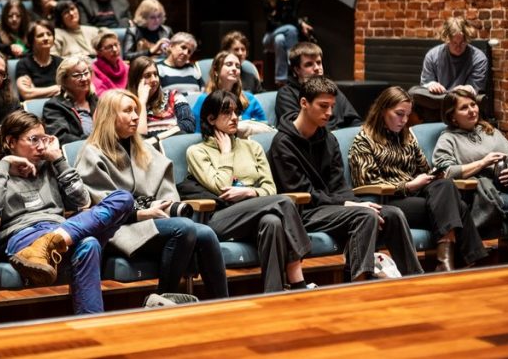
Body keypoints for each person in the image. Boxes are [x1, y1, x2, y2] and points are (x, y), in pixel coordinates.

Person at [0, 109, 134, 314]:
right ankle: (92, 323)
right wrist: (4, 166)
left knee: (123, 198)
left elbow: (82, 200)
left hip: (62, 230)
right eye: (33, 139)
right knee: (88, 243)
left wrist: (59, 160)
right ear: (11, 142)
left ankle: (50, 242)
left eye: (44, 139)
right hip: (22, 238)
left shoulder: (51, 168)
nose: (41, 146)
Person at [76, 90, 228, 299]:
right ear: (109, 117)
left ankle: (221, 305)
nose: (136, 116)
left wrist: (163, 206)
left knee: (206, 234)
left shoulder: (142, 148)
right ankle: (163, 299)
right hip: (119, 228)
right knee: (183, 228)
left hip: (154, 222)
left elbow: (166, 188)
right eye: (128, 111)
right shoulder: (92, 153)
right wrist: (141, 212)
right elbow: (100, 208)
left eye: (136, 110)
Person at [269, 76, 423, 281]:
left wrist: (357, 202)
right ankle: (358, 282)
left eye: (332, 106)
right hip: (303, 213)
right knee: (364, 215)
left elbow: (339, 184)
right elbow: (303, 193)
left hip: (333, 207)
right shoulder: (283, 143)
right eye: (323, 106)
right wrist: (348, 204)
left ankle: (416, 279)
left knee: (393, 214)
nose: (330, 113)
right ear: (304, 103)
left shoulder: (328, 139)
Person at [184, 90, 314, 292]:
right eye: (227, 113)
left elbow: (270, 188)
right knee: (285, 202)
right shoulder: (197, 152)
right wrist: (226, 152)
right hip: (220, 218)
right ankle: (297, 278)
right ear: (211, 118)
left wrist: (249, 193)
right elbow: (220, 186)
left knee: (272, 223)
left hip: (255, 212)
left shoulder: (252, 147)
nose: (235, 118)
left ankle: (274, 294)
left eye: (237, 112)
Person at [349, 87, 487, 272]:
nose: (404, 120)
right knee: (457, 206)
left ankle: (447, 261)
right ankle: (468, 261)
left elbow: (424, 169)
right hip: (389, 201)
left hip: (417, 195)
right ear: (382, 111)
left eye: (407, 115)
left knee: (445, 185)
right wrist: (408, 185)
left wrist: (433, 175)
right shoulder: (364, 140)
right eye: (399, 114)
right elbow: (365, 182)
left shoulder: (406, 137)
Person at [433, 90, 508, 254]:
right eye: (464, 108)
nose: (472, 110)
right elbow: (446, 171)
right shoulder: (448, 139)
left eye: (473, 104)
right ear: (452, 116)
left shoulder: (491, 131)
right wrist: (483, 162)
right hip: (481, 193)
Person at [409, 17, 489, 121]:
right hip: (439, 97)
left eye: (462, 43)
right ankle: (448, 100)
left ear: (467, 39)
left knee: (467, 100)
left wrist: (468, 88)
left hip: (461, 100)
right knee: (412, 92)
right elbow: (425, 83)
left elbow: (475, 88)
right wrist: (431, 84)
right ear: (446, 40)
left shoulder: (479, 58)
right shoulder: (433, 55)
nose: (458, 47)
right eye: (454, 43)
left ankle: (449, 101)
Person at [275, 42, 361, 132]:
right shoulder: (286, 94)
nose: (317, 68)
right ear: (297, 70)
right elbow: (298, 128)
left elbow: (355, 121)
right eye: (309, 64)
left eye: (319, 63)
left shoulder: (331, 89)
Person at [191, 51, 273, 136]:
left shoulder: (249, 99)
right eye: (229, 64)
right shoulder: (203, 100)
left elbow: (265, 130)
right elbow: (197, 135)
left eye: (238, 66)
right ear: (216, 70)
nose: (234, 69)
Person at [261, 0, 313, 86]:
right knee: (290, 29)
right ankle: (294, 62)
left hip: (283, 37)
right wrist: (283, 3)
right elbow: (273, 24)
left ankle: (281, 80)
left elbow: (293, 20)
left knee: (280, 40)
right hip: (269, 37)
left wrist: (287, 1)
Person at [127, 56, 194, 140]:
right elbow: (139, 138)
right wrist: (142, 102)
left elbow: (189, 125)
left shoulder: (173, 96)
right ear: (136, 80)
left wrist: (157, 138)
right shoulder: (127, 104)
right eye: (148, 76)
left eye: (155, 74)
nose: (154, 79)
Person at [42, 55, 99, 145]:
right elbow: (61, 137)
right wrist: (94, 140)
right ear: (64, 80)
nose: (84, 79)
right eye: (77, 75)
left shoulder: (96, 100)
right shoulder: (54, 106)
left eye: (86, 73)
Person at [14, 20, 62, 102]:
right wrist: (56, 88)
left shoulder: (60, 62)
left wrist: (36, 90)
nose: (46, 38)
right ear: (31, 41)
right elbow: (27, 94)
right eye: (40, 35)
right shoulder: (23, 64)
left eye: (49, 34)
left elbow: (69, 89)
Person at [91, 31, 128, 96]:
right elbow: (101, 95)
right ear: (99, 52)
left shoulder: (126, 67)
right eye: (109, 47)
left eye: (116, 45)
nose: (115, 49)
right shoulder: (94, 70)